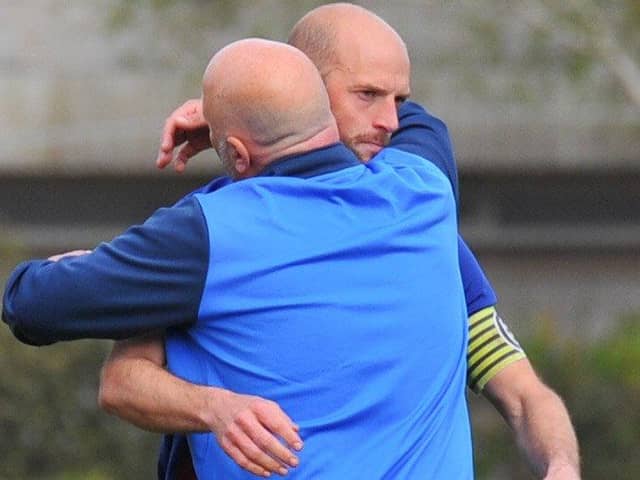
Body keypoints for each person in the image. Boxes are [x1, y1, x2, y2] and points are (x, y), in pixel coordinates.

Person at [100, 4, 579, 479]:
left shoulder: (419, 231)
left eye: (395, 101)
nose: (388, 121)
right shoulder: (207, 242)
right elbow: (122, 381)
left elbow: (522, 392)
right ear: (310, 97)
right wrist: (214, 408)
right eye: (366, 95)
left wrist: (561, 464)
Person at [5, 36, 477, 478]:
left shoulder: (208, 235)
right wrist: (272, 93)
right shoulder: (424, 190)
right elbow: (415, 119)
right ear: (328, 116)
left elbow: (28, 303)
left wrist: (237, 109)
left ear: (234, 151)